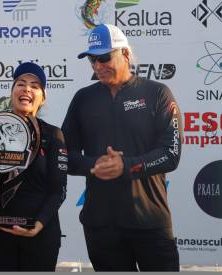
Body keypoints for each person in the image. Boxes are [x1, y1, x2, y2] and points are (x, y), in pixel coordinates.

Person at [62, 24, 182, 271]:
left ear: (125, 54)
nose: (97, 66)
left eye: (104, 57)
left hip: (150, 221)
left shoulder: (157, 93)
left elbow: (171, 154)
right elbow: (63, 156)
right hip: (101, 225)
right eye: (92, 60)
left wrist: (125, 166)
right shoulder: (83, 98)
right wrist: (94, 164)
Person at [0, 62, 67, 271]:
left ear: (42, 97)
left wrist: (38, 226)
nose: (27, 89)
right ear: (12, 91)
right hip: (0, 233)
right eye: (21, 84)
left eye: (35, 86)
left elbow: (58, 191)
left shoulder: (53, 135)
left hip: (40, 234)